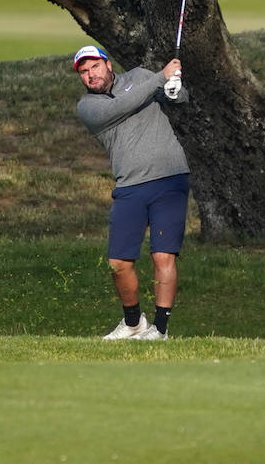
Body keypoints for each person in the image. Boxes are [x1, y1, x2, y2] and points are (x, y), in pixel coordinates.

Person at [71, 44, 191, 340]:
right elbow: (121, 106)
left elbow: (174, 98)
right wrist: (161, 77)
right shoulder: (88, 108)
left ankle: (160, 330)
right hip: (130, 185)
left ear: (108, 65)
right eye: (84, 72)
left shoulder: (139, 76)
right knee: (119, 263)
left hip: (170, 178)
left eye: (94, 67)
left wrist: (175, 90)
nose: (90, 75)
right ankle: (134, 322)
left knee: (163, 257)